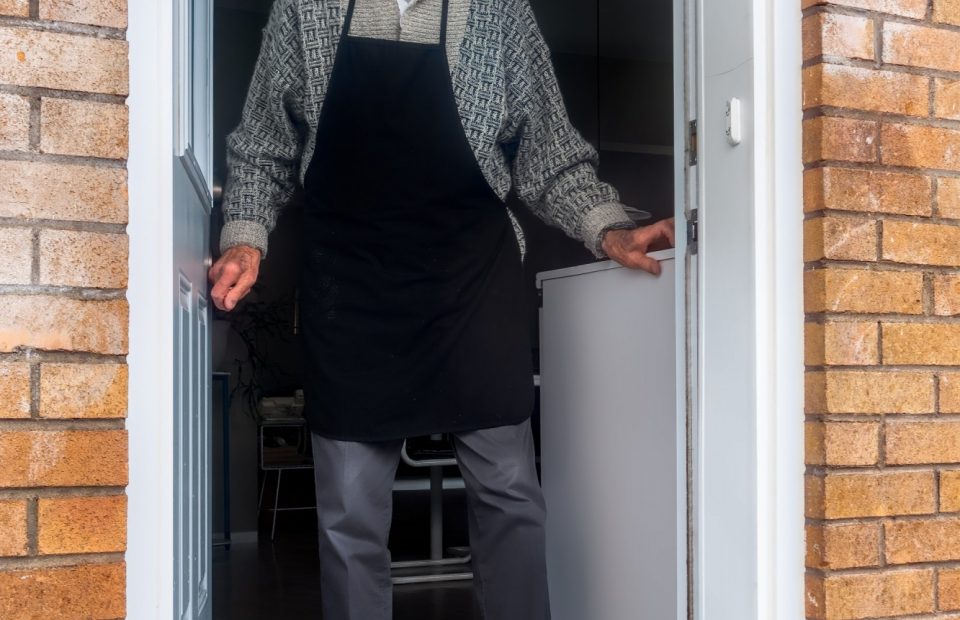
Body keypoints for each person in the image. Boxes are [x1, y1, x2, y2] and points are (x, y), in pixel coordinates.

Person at [209, 0, 675, 618]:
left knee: (511, 497)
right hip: (352, 289)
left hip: (470, 283)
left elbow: (550, 151)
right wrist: (245, 236)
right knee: (348, 512)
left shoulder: (498, 12)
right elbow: (264, 144)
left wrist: (606, 227)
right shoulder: (306, 8)